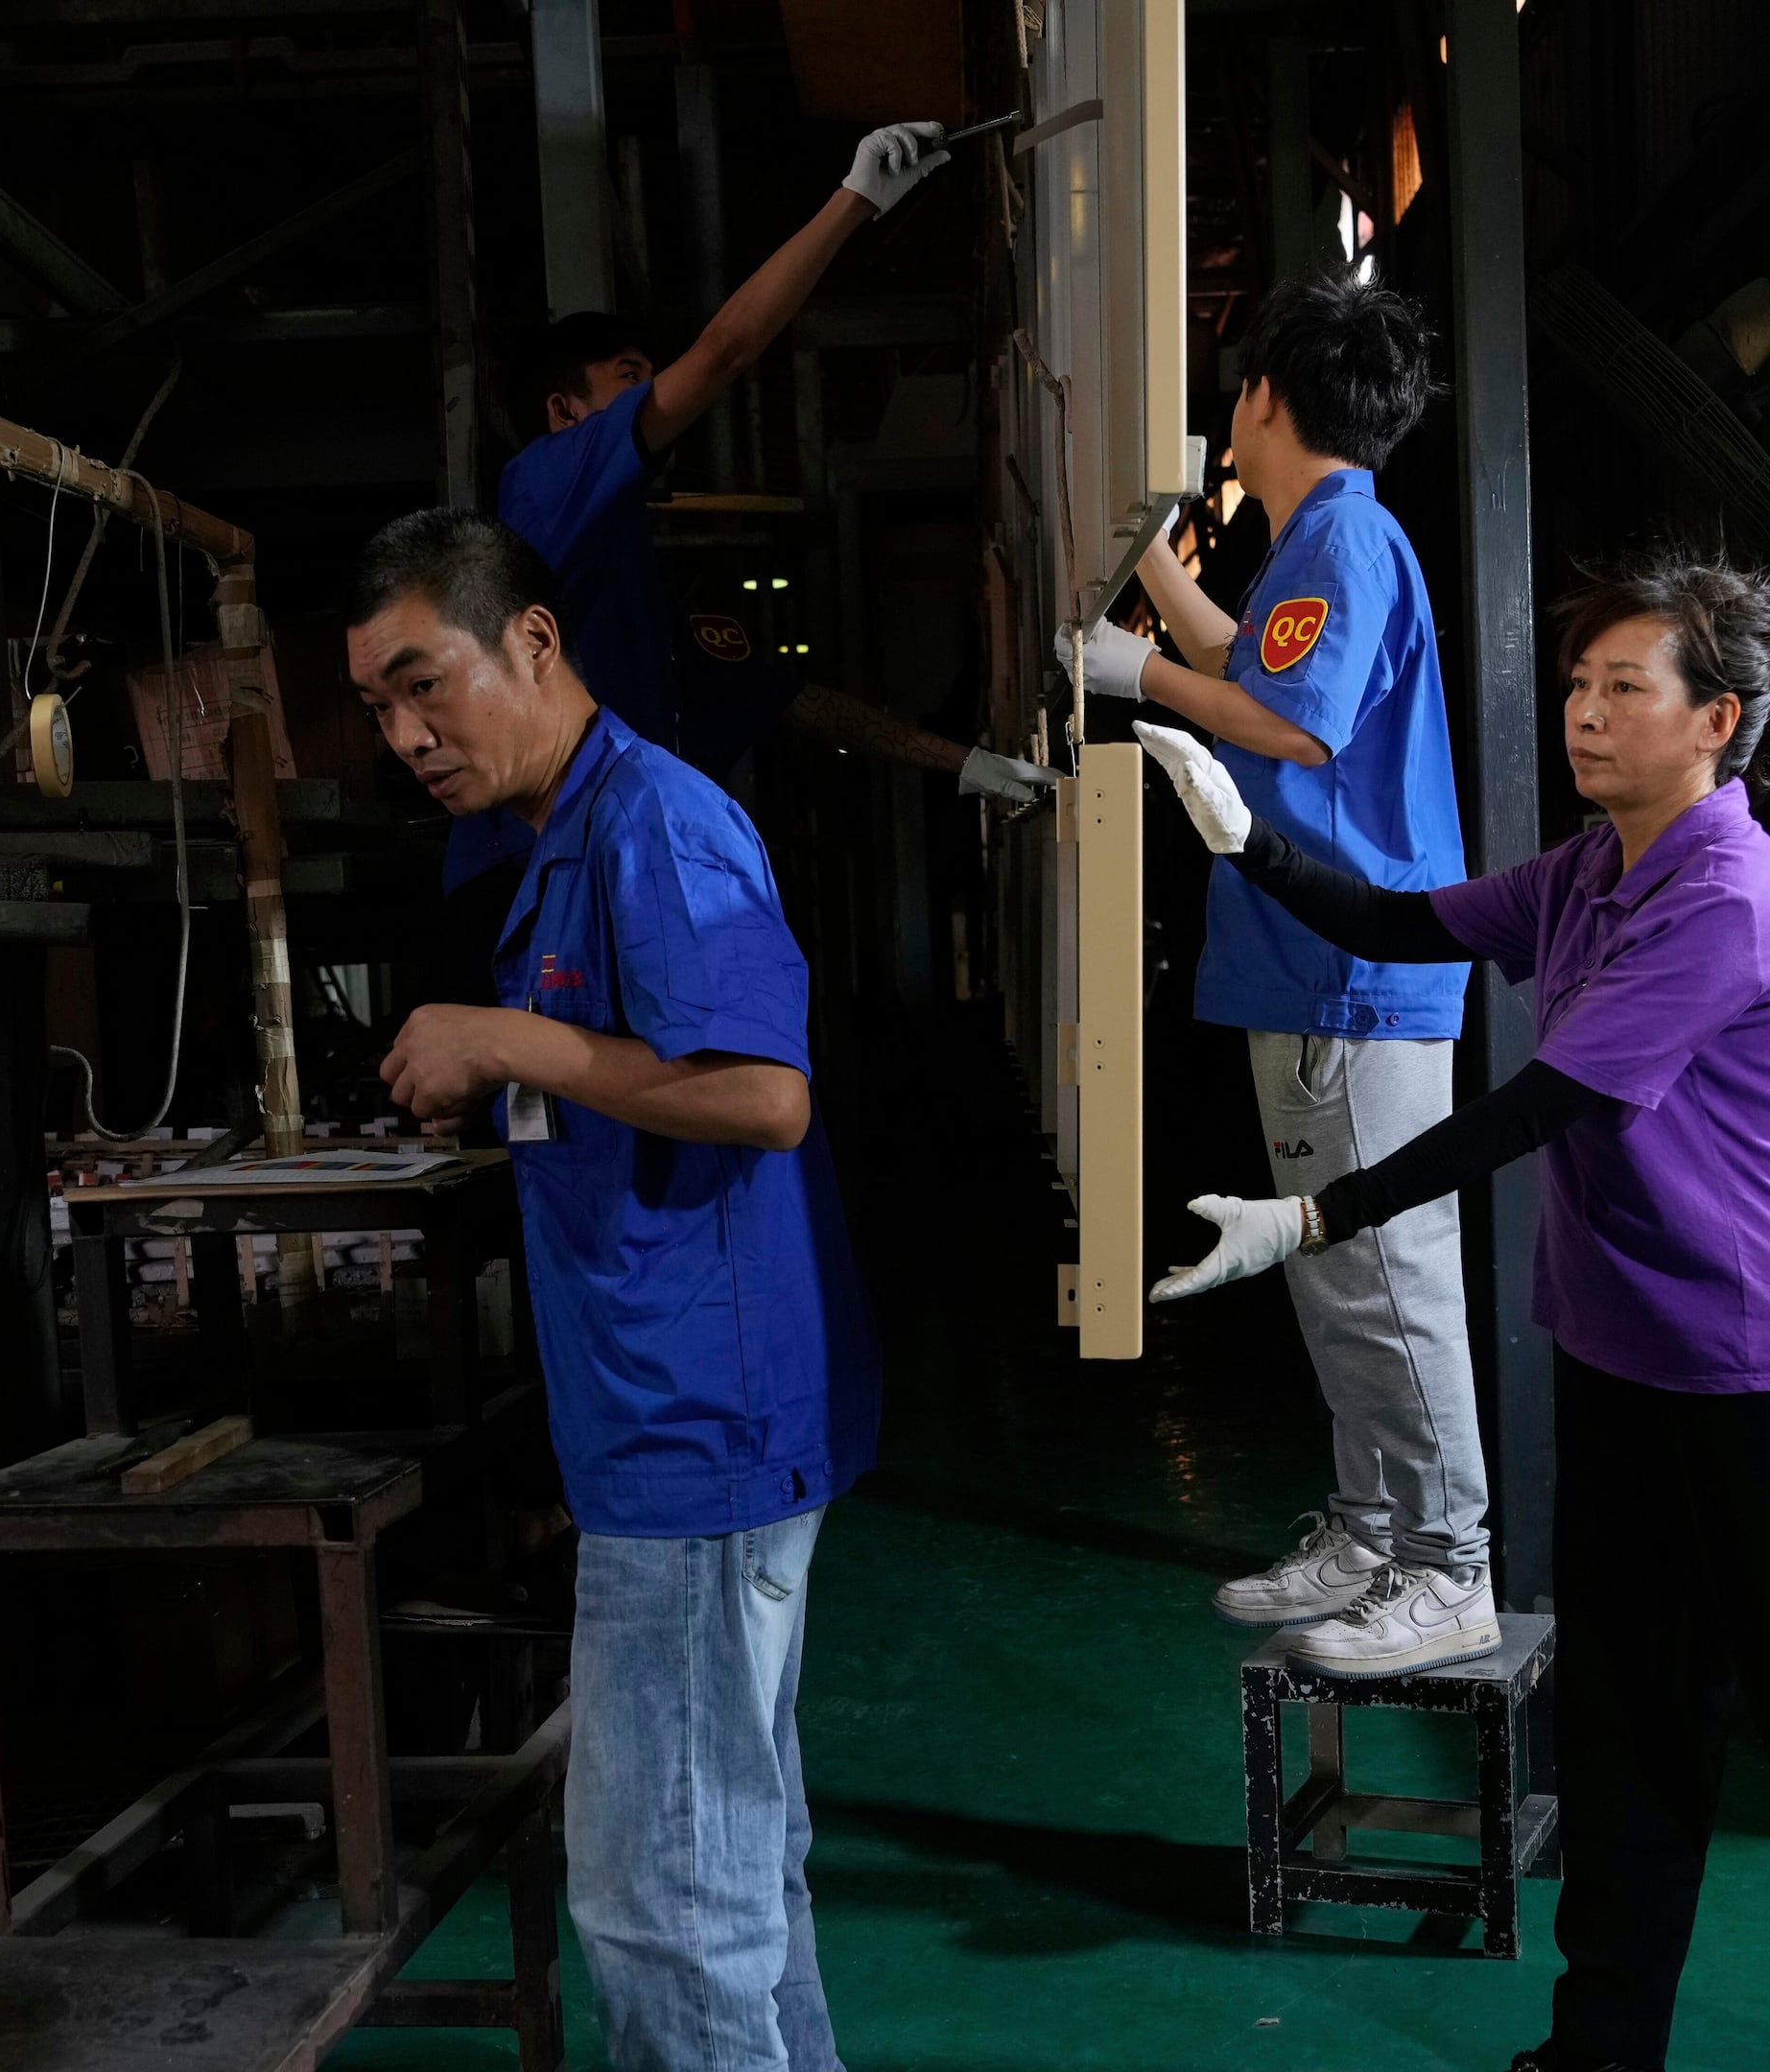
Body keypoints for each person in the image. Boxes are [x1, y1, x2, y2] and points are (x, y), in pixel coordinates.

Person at [1132, 554, 1770, 2072]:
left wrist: (1314, 1217)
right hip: (1629, 1352)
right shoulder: (1592, 867)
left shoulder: (1726, 895)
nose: (1584, 712)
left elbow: (1539, 1105)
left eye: (1622, 688)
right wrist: (1245, 837)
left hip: (1764, 1366)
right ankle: (1603, 2048)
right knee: (1629, 1715)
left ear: (1718, 721)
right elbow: (1394, 926)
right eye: (1577, 685)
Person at [352, 508, 876, 2072]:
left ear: (534, 641)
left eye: (423, 685)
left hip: (699, 1439)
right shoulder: (566, 839)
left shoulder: (655, 825)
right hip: (672, 1426)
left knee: (661, 1901)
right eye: (378, 710)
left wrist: (507, 1044)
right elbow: (633, 1081)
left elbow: (764, 1093)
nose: (405, 737)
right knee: (731, 1874)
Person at [1061, 270, 1489, 1678]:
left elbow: (1285, 728)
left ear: (1262, 397)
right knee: (1336, 1273)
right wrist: (1155, 581)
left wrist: (1130, 672)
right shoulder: (1324, 538)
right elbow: (1256, 666)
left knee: (1384, 1270)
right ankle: (1374, 1530)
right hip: (1314, 969)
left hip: (1349, 975)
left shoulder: (1342, 542)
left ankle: (1450, 1566)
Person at [494, 120, 1052, 829]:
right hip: (535, 866)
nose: (659, 391)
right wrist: (854, 200)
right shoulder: (544, 485)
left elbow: (791, 700)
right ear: (564, 413)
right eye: (630, 378)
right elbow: (726, 350)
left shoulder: (626, 573)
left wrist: (965, 763)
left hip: (605, 857)